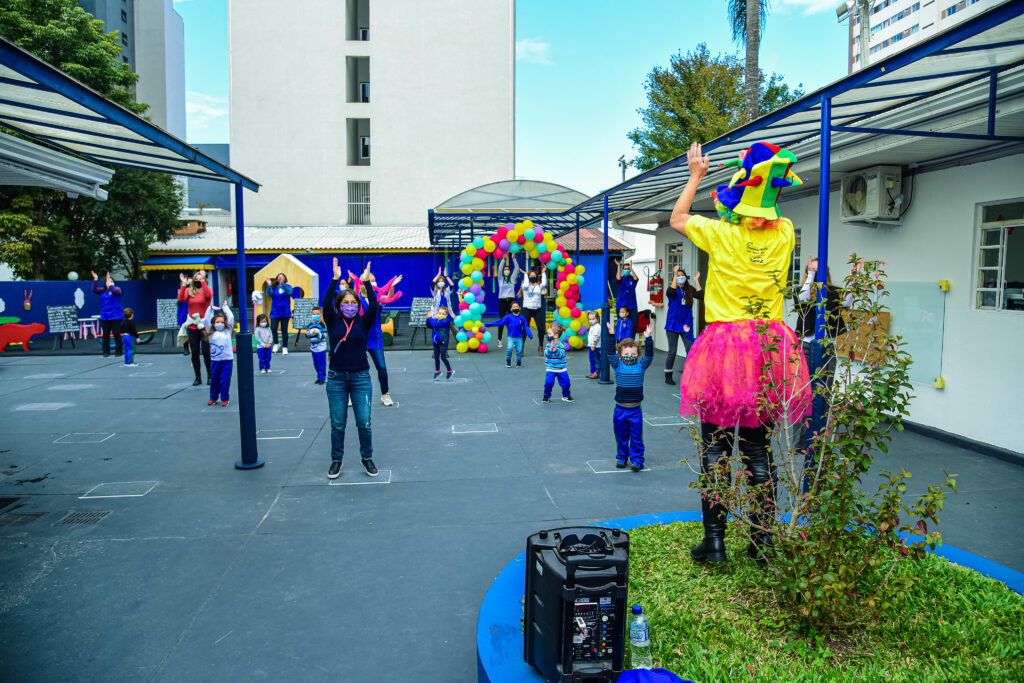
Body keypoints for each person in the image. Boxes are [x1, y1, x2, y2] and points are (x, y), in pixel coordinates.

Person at [670, 141, 811, 564]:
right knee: (758, 448)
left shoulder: (719, 233)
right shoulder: (785, 234)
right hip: (769, 346)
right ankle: (762, 540)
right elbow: (772, 210)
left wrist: (696, 174)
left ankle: (714, 544)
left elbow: (677, 218)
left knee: (715, 447)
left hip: (724, 347)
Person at [323, 257, 379, 479]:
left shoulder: (364, 322)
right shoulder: (332, 320)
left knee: (364, 422)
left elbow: (374, 306)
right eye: (345, 302)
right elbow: (326, 302)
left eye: (353, 303)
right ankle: (336, 460)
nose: (349, 305)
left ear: (358, 305)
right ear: (339, 305)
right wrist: (334, 280)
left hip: (360, 378)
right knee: (338, 423)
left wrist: (365, 283)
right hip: (336, 378)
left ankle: (367, 457)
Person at [605, 322, 654, 471]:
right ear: (620, 355)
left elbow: (650, 355)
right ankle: (621, 457)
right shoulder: (618, 365)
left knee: (636, 437)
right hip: (620, 409)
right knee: (621, 435)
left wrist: (648, 338)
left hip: (635, 410)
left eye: (633, 354)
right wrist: (611, 335)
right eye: (626, 354)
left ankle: (637, 460)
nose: (630, 356)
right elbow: (610, 353)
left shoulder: (641, 366)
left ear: (638, 355)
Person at [353, 272, 394, 406]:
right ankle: (350, 394)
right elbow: (354, 296)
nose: (372, 283)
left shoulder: (377, 297)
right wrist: (355, 282)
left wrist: (391, 286)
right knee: (353, 367)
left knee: (381, 367)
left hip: (375, 338)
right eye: (369, 280)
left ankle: (385, 394)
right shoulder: (358, 297)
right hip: (360, 338)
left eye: (374, 280)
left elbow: (389, 297)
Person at [660, 267, 704, 385]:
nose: (680, 277)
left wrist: (696, 280)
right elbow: (671, 292)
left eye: (682, 275)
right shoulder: (672, 289)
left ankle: (690, 375)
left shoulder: (689, 289)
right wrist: (674, 274)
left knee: (690, 349)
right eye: (678, 275)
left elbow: (701, 295)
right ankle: (668, 375)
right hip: (673, 325)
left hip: (686, 326)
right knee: (672, 351)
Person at [178, 269, 213, 386]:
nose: (198, 281)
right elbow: (180, 299)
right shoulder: (189, 291)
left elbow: (208, 296)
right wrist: (183, 284)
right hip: (192, 325)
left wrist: (203, 280)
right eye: (196, 279)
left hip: (204, 325)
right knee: (195, 352)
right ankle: (197, 377)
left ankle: (210, 375)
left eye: (200, 279)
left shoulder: (207, 290)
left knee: (206, 352)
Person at [203, 302, 234, 406]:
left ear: (225, 323)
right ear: (213, 324)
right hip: (215, 361)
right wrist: (210, 308)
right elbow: (206, 320)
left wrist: (225, 307)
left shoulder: (228, 331)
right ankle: (214, 397)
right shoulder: (211, 332)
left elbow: (231, 317)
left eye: (221, 322)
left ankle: (225, 398)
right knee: (215, 380)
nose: (219, 324)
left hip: (227, 360)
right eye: (217, 322)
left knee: (224, 380)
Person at [489, 301, 533, 368]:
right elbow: (499, 322)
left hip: (519, 337)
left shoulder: (522, 318)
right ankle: (508, 360)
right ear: (511, 309)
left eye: (516, 306)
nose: (515, 308)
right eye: (514, 307)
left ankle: (518, 362)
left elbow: (526, 327)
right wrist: (487, 325)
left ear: (520, 308)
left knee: (519, 350)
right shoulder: (508, 317)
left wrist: (529, 334)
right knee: (509, 348)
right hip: (511, 337)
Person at [91, 270, 123, 357]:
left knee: (116, 333)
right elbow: (94, 289)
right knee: (105, 335)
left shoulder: (117, 289)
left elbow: (117, 292)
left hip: (115, 315)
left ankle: (118, 351)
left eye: (112, 281)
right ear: (105, 283)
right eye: (108, 281)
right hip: (105, 315)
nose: (110, 282)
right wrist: (95, 280)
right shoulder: (102, 291)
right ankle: (106, 351)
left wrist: (110, 285)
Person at [541, 323, 573, 404]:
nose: (548, 335)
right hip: (550, 368)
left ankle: (566, 395)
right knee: (548, 383)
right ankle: (546, 396)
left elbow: (561, 356)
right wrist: (550, 350)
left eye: (549, 334)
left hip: (561, 368)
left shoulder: (561, 345)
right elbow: (546, 355)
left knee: (566, 383)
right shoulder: (548, 345)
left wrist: (556, 351)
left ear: (556, 335)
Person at [495, 255, 521, 347]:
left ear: (510, 271)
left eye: (508, 269)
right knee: (502, 320)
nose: (506, 270)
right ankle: (499, 340)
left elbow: (517, 269)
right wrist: (503, 259)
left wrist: (514, 259)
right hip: (502, 301)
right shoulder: (500, 279)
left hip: (511, 301)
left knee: (513, 320)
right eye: (505, 269)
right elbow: (499, 269)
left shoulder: (512, 278)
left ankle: (513, 340)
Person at [264, 273, 293, 354]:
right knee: (273, 328)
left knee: (284, 330)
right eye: (279, 277)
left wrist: (282, 285)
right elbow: (268, 293)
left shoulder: (288, 286)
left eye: (282, 277)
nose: (280, 278)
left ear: (285, 279)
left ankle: (285, 347)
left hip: (285, 312)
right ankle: (276, 343)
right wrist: (269, 285)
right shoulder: (274, 287)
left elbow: (289, 292)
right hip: (275, 312)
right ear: (277, 279)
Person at [520, 268, 547, 356]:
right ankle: (521, 347)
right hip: (526, 309)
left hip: (537, 309)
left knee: (541, 328)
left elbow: (545, 283)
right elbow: (526, 286)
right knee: (524, 329)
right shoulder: (525, 286)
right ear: (528, 277)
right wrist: (525, 274)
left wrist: (543, 272)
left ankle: (540, 346)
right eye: (531, 276)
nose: (533, 277)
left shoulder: (539, 286)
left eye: (534, 276)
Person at [426, 306, 454, 381]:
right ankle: (437, 371)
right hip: (435, 342)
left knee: (443, 357)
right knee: (436, 357)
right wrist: (428, 319)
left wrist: (430, 318)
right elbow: (429, 325)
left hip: (443, 342)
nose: (441, 315)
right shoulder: (436, 320)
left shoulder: (444, 322)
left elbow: (435, 325)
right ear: (437, 313)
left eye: (443, 314)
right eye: (440, 313)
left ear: (446, 315)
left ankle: (450, 371)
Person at [614, 258, 639, 339]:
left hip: (632, 305)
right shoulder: (621, 279)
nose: (626, 270)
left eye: (628, 269)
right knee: (621, 323)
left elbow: (636, 279)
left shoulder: (632, 278)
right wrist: (618, 266)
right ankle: (621, 340)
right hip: (621, 305)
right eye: (625, 269)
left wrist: (631, 269)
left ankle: (631, 341)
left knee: (634, 324)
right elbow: (617, 278)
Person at [306, 305, 328, 385]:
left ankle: (322, 378)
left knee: (321, 363)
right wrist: (308, 334)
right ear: (311, 315)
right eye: (314, 314)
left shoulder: (322, 325)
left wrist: (318, 334)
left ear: (321, 315)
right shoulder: (310, 325)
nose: (315, 315)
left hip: (321, 347)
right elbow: (307, 335)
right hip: (313, 347)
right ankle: (319, 377)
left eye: (317, 314)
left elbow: (324, 335)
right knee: (315, 363)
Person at [587, 311, 601, 379]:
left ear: (597, 319)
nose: (591, 320)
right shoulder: (592, 326)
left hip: (595, 347)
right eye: (589, 319)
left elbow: (596, 336)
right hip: (591, 346)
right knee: (591, 359)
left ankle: (597, 372)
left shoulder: (597, 327)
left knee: (596, 359)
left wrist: (593, 345)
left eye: (593, 319)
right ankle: (592, 371)